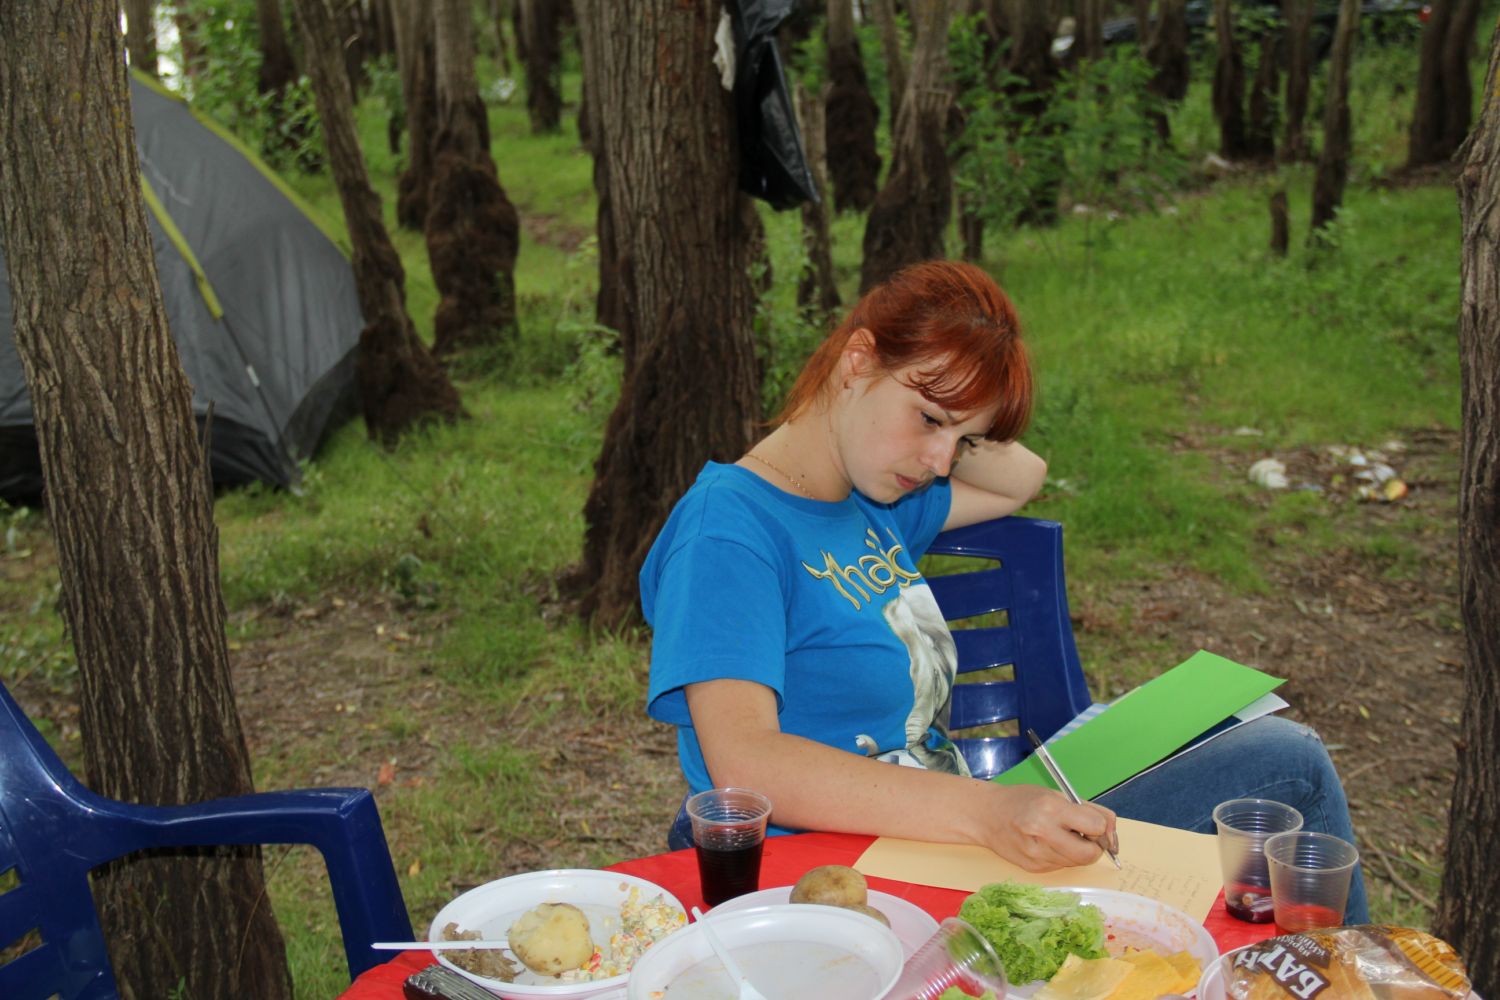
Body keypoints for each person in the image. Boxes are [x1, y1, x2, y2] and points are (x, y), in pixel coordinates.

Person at [641, 260, 1368, 922]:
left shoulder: (873, 500)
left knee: (1282, 757)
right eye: (928, 419)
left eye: (962, 442)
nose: (939, 463)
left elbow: (1022, 478)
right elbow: (747, 764)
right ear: (857, 361)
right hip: (832, 873)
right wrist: (987, 812)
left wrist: (960, 404)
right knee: (1291, 765)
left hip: (941, 835)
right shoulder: (729, 532)